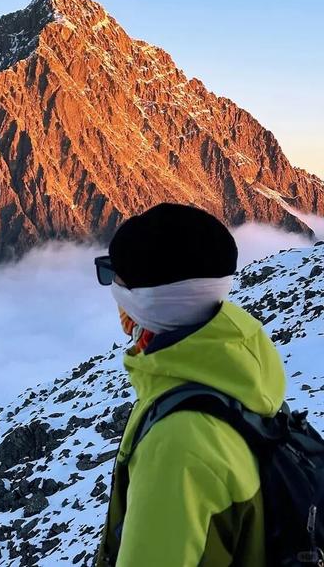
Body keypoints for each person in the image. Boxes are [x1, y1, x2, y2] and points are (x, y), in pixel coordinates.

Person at [94, 202, 287, 567]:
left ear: (148, 301)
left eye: (113, 276)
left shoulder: (178, 447)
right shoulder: (240, 375)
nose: (112, 292)